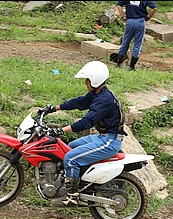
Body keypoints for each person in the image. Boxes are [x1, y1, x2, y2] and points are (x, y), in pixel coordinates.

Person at [45, 61, 127, 207]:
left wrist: (61, 130)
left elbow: (86, 122)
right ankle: (76, 183)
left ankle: (71, 197)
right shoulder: (99, 93)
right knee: (70, 146)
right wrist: (54, 108)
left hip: (109, 141)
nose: (85, 82)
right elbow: (80, 102)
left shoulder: (103, 100)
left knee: (70, 158)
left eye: (87, 79)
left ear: (95, 80)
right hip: (103, 137)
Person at [116, 1, 157, 70]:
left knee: (125, 42)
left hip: (130, 21)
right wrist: (148, 17)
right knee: (137, 44)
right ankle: (132, 66)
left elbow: (119, 5)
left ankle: (119, 63)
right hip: (140, 22)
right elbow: (154, 8)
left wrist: (123, 16)